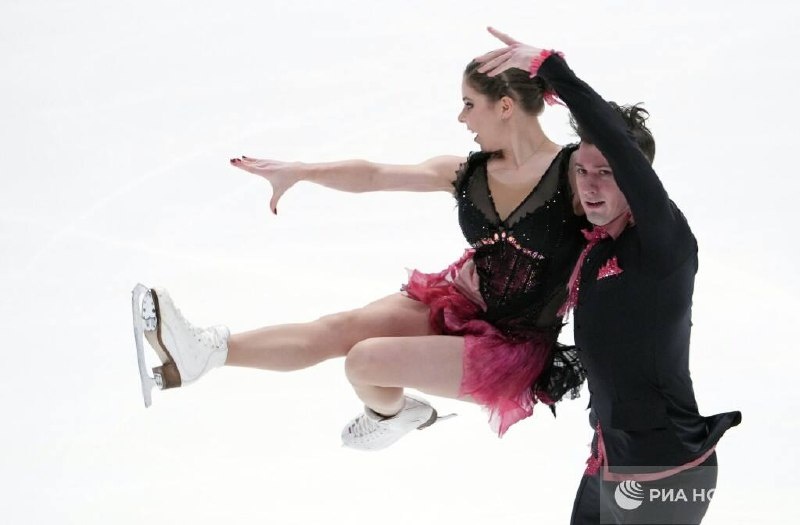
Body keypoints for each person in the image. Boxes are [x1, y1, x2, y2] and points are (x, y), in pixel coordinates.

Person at [131, 52, 589, 451]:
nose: (461, 118)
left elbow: (622, 165)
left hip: (512, 347)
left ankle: (392, 414)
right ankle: (205, 353)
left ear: (505, 106)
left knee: (364, 361)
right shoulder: (468, 172)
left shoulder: (576, 173)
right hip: (462, 301)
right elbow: (375, 175)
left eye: (470, 104)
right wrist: (301, 171)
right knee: (339, 328)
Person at [475, 28, 741, 524]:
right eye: (582, 171)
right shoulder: (595, 251)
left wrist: (551, 69)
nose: (589, 186)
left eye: (607, 172)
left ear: (634, 176)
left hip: (667, 469)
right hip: (608, 461)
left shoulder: (663, 243)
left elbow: (618, 145)